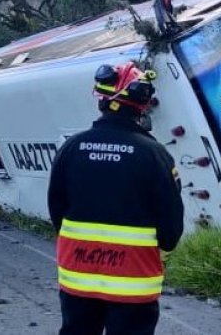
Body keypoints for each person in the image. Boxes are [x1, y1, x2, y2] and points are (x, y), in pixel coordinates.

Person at [47, 61, 184, 335]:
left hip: (77, 275)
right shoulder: (154, 155)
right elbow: (171, 225)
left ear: (100, 100)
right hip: (133, 280)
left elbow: (56, 209)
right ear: (141, 105)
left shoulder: (71, 148)